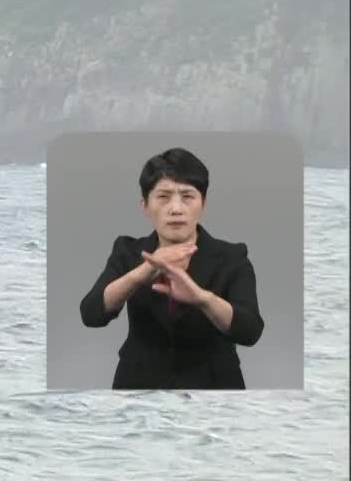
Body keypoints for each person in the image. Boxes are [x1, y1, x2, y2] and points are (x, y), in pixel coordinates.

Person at [78, 147, 265, 388]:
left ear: (203, 203)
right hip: (138, 389)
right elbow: (91, 314)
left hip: (215, 391)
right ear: (144, 205)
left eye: (187, 196)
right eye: (163, 197)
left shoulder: (232, 257)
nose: (176, 208)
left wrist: (201, 298)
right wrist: (141, 273)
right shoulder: (128, 251)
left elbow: (250, 331)